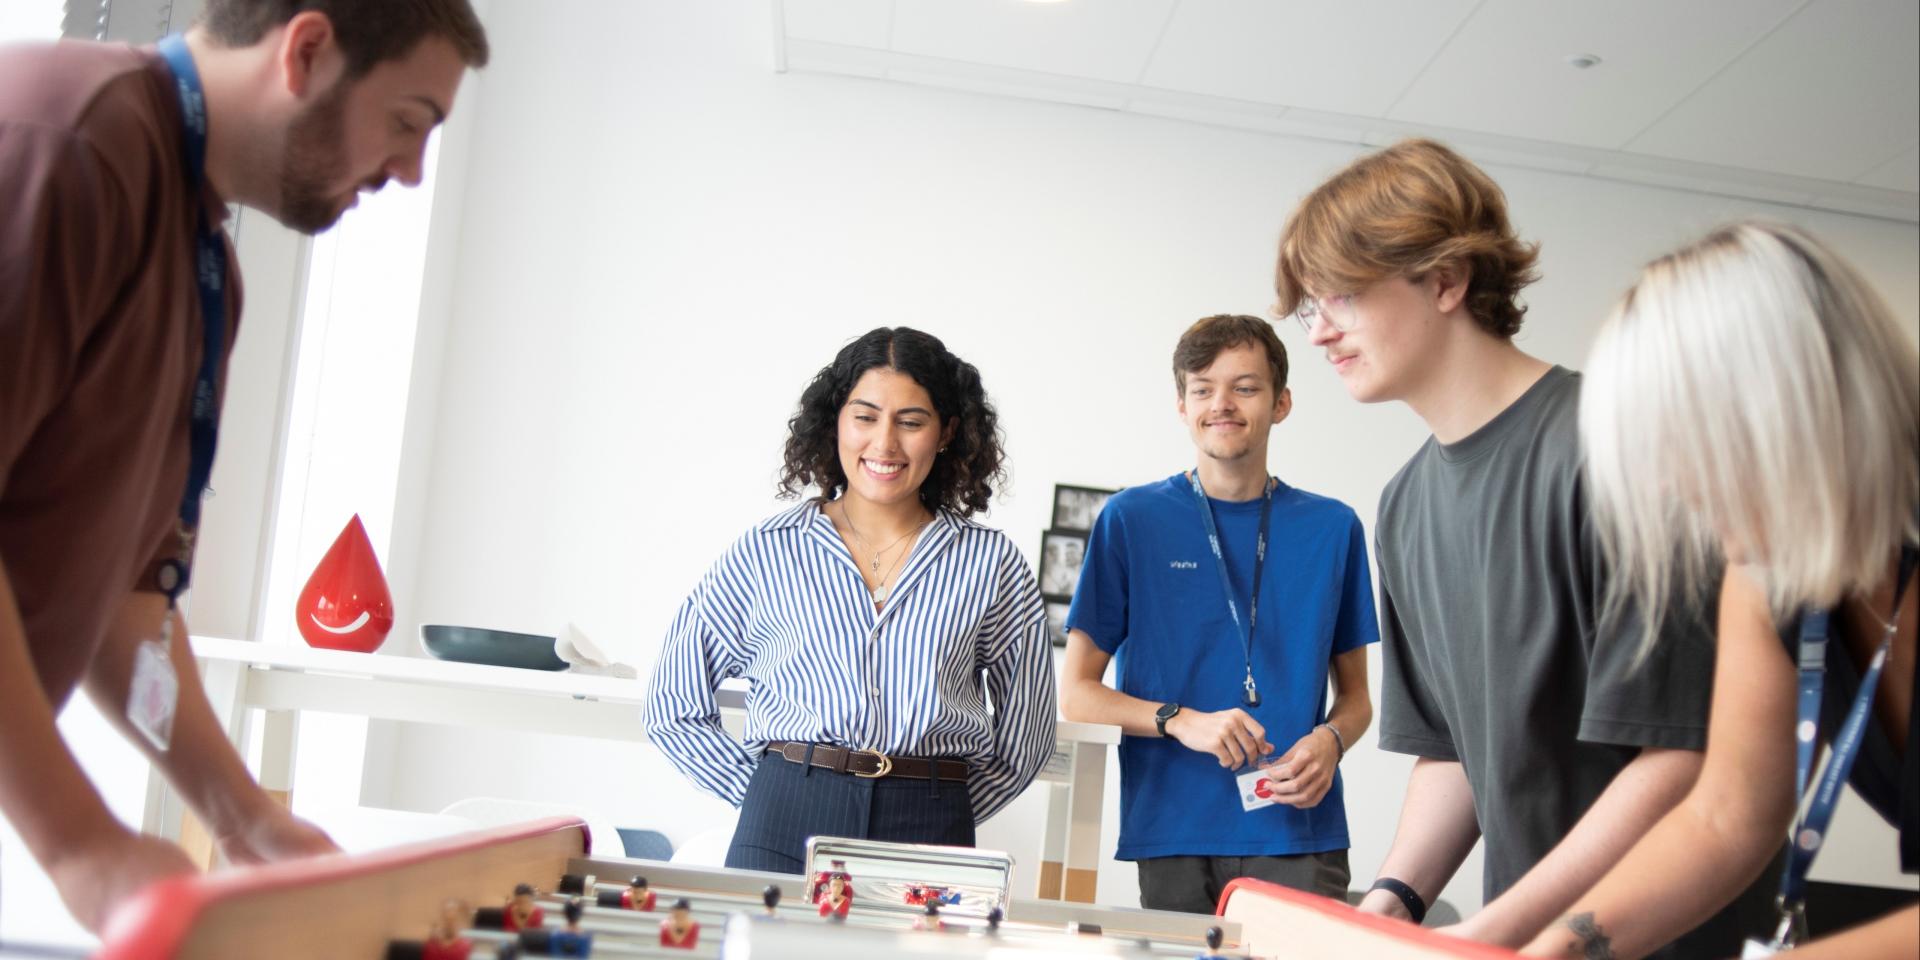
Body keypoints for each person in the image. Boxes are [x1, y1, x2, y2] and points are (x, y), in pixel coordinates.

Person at [0, 0, 487, 933]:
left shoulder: (206, 265)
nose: (412, 173)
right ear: (305, 50)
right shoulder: (69, 142)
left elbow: (132, 602)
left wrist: (243, 814)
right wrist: (83, 845)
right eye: (408, 122)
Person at [1272, 138, 1772, 953]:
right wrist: (1393, 901)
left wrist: (1497, 928)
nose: (1319, 332)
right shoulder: (1404, 507)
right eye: (1310, 306)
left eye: (1343, 295)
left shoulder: (1616, 448)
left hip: (1667, 936)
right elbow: (1455, 751)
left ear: (1445, 279)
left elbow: (1680, 749)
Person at [1519, 221, 1918, 960]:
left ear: (1782, 409)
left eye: (1679, 441)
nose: (1669, 483)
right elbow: (1725, 818)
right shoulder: (1770, 573)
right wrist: (1564, 947)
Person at [644, 327, 1057, 873]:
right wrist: (772, 791)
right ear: (835, 420)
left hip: (932, 827)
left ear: (946, 432)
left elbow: (1024, 739)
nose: (884, 444)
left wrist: (940, 803)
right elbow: (672, 704)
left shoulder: (991, 563)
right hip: (783, 820)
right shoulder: (768, 550)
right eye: (865, 417)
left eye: (910, 422)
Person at [1058, 314, 1377, 912]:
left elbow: (1357, 701)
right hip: (1173, 832)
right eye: (1202, 388)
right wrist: (1180, 720)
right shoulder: (1131, 520)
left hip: (1298, 832)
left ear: (1281, 403)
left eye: (1245, 387)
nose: (1221, 403)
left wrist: (1332, 741)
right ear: (1182, 405)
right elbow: (1076, 694)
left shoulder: (1334, 528)